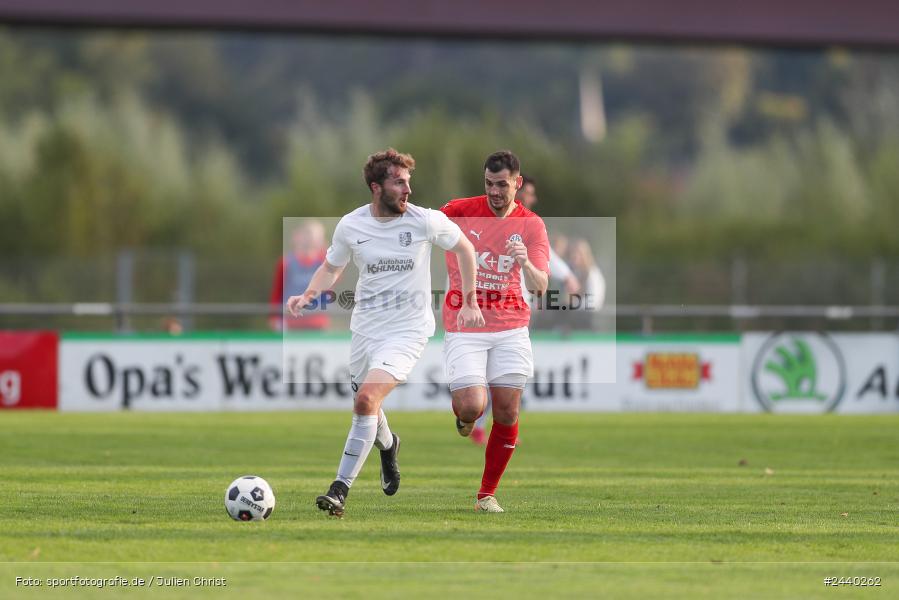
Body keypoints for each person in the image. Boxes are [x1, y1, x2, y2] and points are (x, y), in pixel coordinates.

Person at [286, 148, 483, 518]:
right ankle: (389, 445)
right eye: (399, 182)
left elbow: (466, 248)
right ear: (377, 187)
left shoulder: (425, 221)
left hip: (408, 331)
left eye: (409, 181)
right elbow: (332, 266)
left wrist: (470, 300)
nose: (408, 189)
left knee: (364, 402)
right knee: (367, 404)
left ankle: (339, 490)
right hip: (364, 331)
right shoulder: (351, 225)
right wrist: (309, 294)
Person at [441, 150, 550, 512]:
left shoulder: (532, 225)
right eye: (489, 184)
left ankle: (486, 494)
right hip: (465, 321)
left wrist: (524, 263)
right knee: (473, 406)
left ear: (518, 183)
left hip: (511, 325)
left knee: (507, 411)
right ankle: (463, 416)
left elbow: (540, 286)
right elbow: (423, 228)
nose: (495, 192)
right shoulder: (459, 211)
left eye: (502, 185)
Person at [468, 174, 579, 445]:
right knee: (497, 377)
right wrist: (566, 276)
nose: (532, 198)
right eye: (528, 192)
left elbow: (545, 255)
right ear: (518, 189)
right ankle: (480, 421)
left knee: (505, 378)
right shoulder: (506, 222)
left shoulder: (528, 223)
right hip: (500, 312)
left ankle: (487, 424)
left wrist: (563, 276)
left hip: (518, 313)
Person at [270, 220, 330, 331]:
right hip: (292, 320)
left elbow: (333, 282)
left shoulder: (324, 262)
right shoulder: (286, 262)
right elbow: (278, 292)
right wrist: (274, 317)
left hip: (317, 321)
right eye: (311, 235)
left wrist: (328, 252)